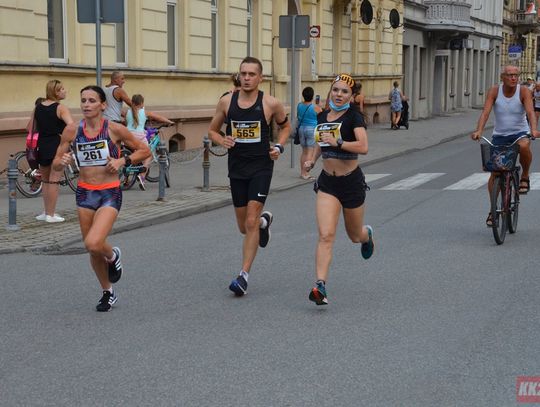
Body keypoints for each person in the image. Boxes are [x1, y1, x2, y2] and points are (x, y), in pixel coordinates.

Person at [52, 86, 150, 312]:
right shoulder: (71, 131)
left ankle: (113, 254)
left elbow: (144, 151)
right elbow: (56, 162)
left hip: (109, 191)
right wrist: (62, 161)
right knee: (92, 250)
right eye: (83, 100)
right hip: (85, 192)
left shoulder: (115, 129)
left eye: (92, 100)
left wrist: (122, 161)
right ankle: (108, 292)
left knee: (94, 242)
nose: (86, 104)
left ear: (103, 105)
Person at [208, 56, 291, 296]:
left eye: (251, 74)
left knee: (250, 221)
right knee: (245, 227)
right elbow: (212, 130)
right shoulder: (226, 102)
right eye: (243, 73)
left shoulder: (270, 103)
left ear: (260, 78)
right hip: (237, 168)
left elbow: (285, 127)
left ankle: (243, 276)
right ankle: (264, 223)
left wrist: (279, 147)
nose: (246, 78)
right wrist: (222, 139)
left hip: (261, 167)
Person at [304, 74, 374, 306]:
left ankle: (367, 236)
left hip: (351, 182)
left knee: (354, 235)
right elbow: (319, 141)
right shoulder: (323, 115)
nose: (339, 94)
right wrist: (312, 160)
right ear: (330, 91)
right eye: (336, 90)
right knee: (326, 235)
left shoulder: (354, 118)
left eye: (344, 91)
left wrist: (339, 143)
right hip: (328, 183)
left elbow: (363, 147)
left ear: (351, 96)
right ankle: (320, 285)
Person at [471, 65, 540, 226]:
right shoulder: (494, 91)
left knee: (524, 146)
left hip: (520, 133)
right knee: (495, 173)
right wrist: (479, 131)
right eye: (510, 75)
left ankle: (525, 176)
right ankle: (493, 210)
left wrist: (534, 130)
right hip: (500, 135)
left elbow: (530, 112)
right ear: (502, 77)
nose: (513, 78)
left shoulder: (523, 91)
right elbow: (486, 113)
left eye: (516, 75)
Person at [34, 79, 74, 223]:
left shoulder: (38, 106)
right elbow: (71, 126)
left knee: (45, 181)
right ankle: (51, 215)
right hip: (57, 145)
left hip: (42, 144)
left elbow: (30, 127)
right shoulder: (60, 108)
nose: (65, 91)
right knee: (55, 180)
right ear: (56, 92)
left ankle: (46, 213)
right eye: (62, 89)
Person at [126, 94, 174, 190]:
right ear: (142, 103)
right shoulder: (145, 112)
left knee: (133, 155)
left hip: (127, 135)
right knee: (148, 154)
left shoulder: (127, 112)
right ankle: (142, 176)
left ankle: (126, 178)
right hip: (138, 136)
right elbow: (159, 117)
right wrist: (169, 122)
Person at [297, 86, 322, 180]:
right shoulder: (315, 107)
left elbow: (298, 116)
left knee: (304, 151)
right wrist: (319, 104)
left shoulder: (299, 105)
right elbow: (321, 113)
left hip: (301, 129)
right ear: (312, 96)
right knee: (310, 152)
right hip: (311, 129)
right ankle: (306, 174)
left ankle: (302, 172)